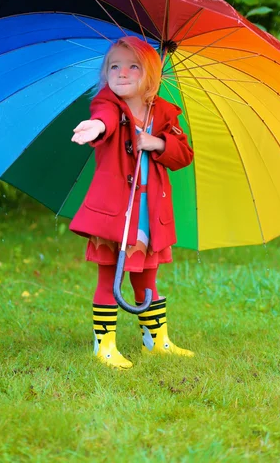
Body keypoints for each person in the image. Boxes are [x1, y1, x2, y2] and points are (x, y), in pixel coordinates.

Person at [70, 36, 194, 369]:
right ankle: (104, 346)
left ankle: (156, 341)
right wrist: (94, 127)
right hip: (115, 215)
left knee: (147, 278)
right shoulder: (108, 104)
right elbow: (104, 121)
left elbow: (183, 155)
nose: (121, 73)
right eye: (114, 66)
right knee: (109, 275)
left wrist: (157, 142)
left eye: (133, 66)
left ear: (151, 76)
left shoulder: (164, 113)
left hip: (147, 216)